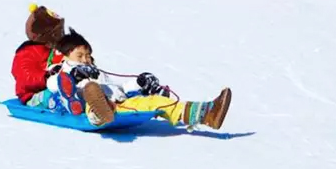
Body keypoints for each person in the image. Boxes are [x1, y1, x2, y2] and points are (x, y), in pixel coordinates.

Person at [44, 31, 233, 130]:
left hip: (118, 104)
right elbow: (51, 84)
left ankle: (208, 114)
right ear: (67, 55)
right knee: (92, 91)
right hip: (86, 103)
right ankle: (99, 113)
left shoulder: (96, 72)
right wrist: (73, 76)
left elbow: (118, 88)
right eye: (80, 55)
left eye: (88, 55)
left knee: (156, 102)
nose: (86, 59)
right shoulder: (62, 70)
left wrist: (139, 84)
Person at [12, 4, 68, 105]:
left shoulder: (56, 50)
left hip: (59, 87)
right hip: (33, 95)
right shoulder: (26, 52)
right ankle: (62, 105)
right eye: (57, 33)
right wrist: (46, 77)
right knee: (50, 96)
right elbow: (25, 76)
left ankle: (94, 106)